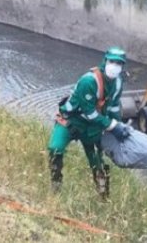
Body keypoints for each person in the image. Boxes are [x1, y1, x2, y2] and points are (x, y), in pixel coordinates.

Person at [48, 46, 130, 199]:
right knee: (55, 149)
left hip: (93, 127)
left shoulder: (117, 83)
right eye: (112, 62)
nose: (115, 66)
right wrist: (111, 126)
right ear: (105, 61)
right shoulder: (89, 81)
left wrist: (118, 124)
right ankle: (56, 184)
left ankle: (103, 195)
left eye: (119, 63)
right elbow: (89, 112)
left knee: (97, 162)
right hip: (71, 120)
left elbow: (113, 107)